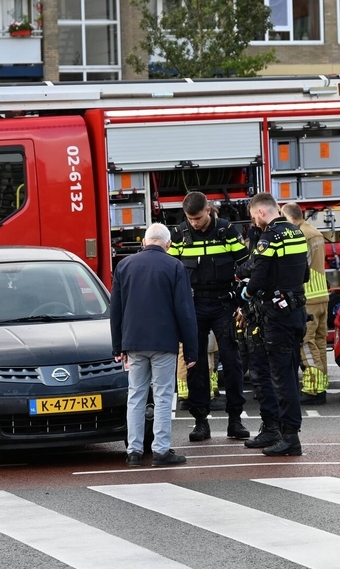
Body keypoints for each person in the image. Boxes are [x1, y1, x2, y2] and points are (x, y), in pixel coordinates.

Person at [111, 222, 198, 467]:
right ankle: (160, 450)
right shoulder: (175, 266)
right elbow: (185, 311)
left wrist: (117, 346)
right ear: (168, 245)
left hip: (133, 342)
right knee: (162, 396)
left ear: (144, 242)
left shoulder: (124, 265)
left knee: (135, 396)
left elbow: (115, 309)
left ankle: (134, 451)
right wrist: (191, 349)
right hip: (164, 342)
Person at [169, 191, 249, 441]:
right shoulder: (180, 235)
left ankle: (235, 420)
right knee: (196, 364)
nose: (194, 223)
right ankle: (200, 421)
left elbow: (246, 265)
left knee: (232, 362)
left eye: (198, 218)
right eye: (190, 219)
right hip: (194, 305)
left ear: (208, 210)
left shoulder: (227, 231)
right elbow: (170, 270)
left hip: (224, 304)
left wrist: (244, 301)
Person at [241, 192, 309, 455]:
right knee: (290, 373)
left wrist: (245, 293)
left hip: (277, 316)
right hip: (296, 311)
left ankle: (290, 438)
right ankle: (283, 432)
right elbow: (304, 272)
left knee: (282, 379)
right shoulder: (296, 232)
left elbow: (258, 276)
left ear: (260, 212)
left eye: (253, 216)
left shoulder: (270, 237)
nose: (254, 222)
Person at [236, 218, 282, 448]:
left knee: (261, 374)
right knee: (279, 376)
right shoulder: (291, 236)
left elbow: (254, 273)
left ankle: (273, 429)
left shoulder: (266, 241)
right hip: (279, 317)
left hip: (264, 317)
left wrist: (244, 294)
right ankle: (282, 429)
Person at [281, 202, 330, 405]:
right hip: (321, 296)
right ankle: (321, 385)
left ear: (288, 217)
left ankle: (312, 389)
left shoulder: (299, 234)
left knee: (306, 343)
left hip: (307, 297)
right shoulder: (315, 231)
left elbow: (299, 266)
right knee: (319, 343)